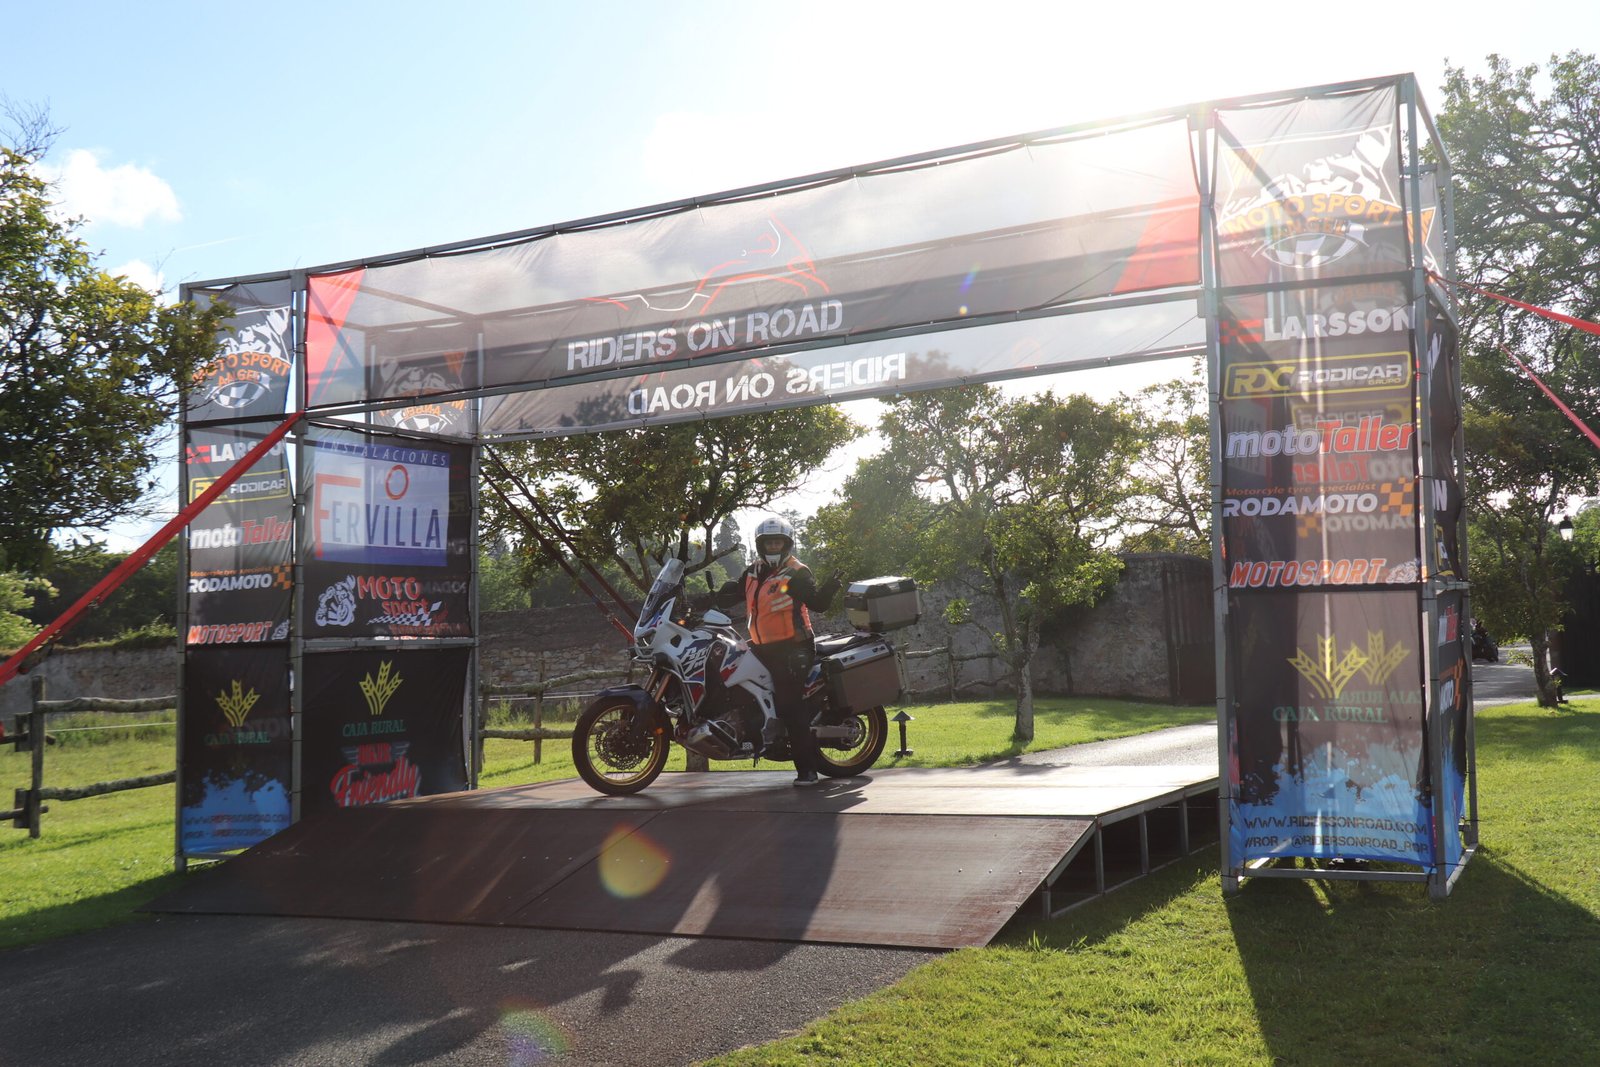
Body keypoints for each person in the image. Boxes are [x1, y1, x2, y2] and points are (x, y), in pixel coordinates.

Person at [702, 516, 840, 786]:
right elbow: (732, 595)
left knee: (790, 705)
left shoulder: (796, 572)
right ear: (761, 545)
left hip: (794, 648)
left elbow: (818, 604)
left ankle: (807, 771)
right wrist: (702, 602)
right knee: (732, 680)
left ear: (786, 544)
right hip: (763, 647)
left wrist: (830, 588)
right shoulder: (753, 572)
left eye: (778, 542)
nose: (773, 547)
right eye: (769, 543)